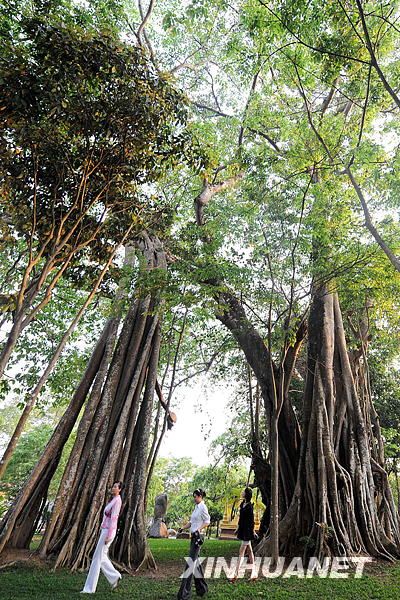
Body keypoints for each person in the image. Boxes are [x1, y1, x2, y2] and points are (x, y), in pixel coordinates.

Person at [80, 481, 124, 594]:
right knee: (102, 556)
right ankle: (115, 576)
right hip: (105, 530)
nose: (113, 488)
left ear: (120, 489)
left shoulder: (117, 501)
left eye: (115, 487)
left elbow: (114, 518)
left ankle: (89, 588)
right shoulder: (113, 500)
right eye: (113, 486)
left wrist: (109, 536)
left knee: (96, 558)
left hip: (109, 532)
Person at [177, 488, 210, 599]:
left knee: (190, 563)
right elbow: (191, 522)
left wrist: (199, 529)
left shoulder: (203, 507)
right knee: (195, 564)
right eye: (194, 497)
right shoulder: (196, 507)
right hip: (193, 537)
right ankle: (202, 589)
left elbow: (207, 521)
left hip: (198, 537)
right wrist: (182, 528)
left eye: (195, 496)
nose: (194, 498)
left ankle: (184, 594)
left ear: (200, 496)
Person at [230, 487, 258, 582]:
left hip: (247, 531)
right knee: (250, 552)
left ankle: (235, 574)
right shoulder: (242, 504)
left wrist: (253, 531)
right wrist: (237, 528)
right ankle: (254, 573)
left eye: (243, 492)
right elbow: (241, 518)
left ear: (246, 494)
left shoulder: (250, 506)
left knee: (241, 552)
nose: (241, 492)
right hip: (242, 530)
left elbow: (251, 521)